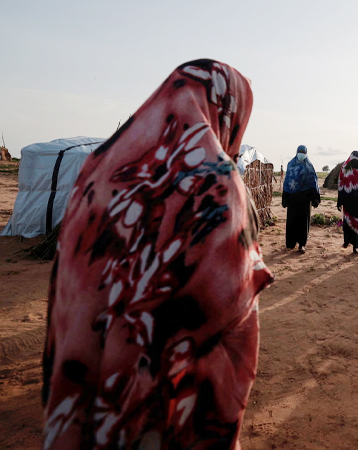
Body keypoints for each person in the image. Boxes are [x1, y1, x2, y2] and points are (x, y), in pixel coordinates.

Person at [41, 60, 274, 450]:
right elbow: (230, 309)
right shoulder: (216, 183)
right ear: (229, 113)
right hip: (162, 403)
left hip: (83, 380)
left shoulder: (100, 167)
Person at [282, 145, 321, 253]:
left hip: (305, 199)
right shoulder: (291, 165)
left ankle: (302, 245)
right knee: (292, 221)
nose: (301, 154)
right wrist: (285, 198)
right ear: (296, 152)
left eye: (303, 152)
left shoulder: (309, 166)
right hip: (292, 198)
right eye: (300, 152)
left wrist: (315, 198)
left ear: (306, 153)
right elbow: (287, 182)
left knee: (303, 222)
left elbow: (313, 183)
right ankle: (291, 243)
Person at [337, 151, 358, 255]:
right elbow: (341, 185)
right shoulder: (345, 169)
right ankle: (347, 242)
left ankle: (355, 246)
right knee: (348, 223)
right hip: (348, 202)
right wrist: (340, 201)